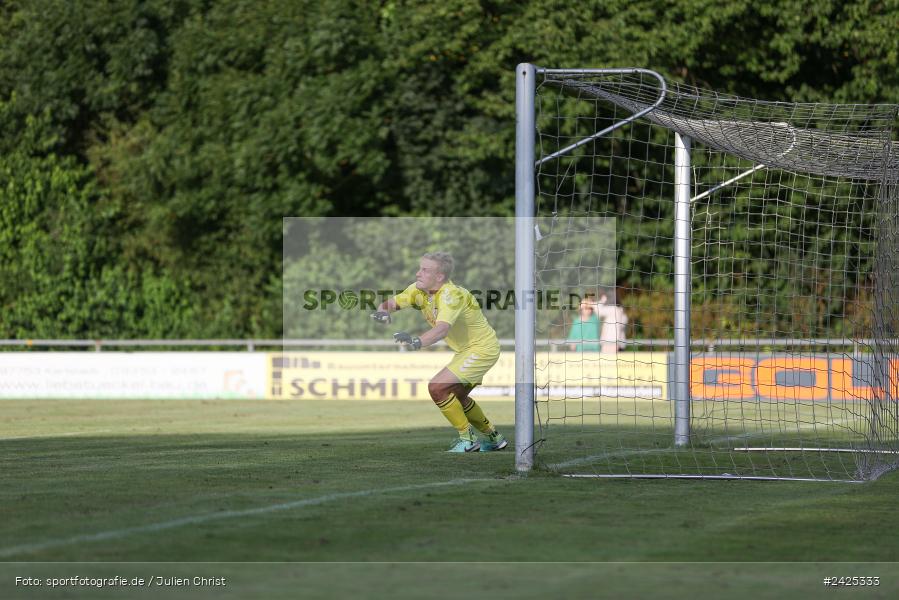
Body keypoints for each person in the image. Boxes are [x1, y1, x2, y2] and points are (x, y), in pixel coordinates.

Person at [370, 251, 508, 453]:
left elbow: (442, 329)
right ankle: (494, 438)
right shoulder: (418, 290)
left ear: (439, 277)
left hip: (481, 349)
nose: (418, 274)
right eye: (420, 268)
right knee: (457, 397)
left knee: (437, 388)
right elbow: (391, 303)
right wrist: (383, 311)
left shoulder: (451, 295)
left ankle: (468, 439)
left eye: (425, 270)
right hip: (468, 350)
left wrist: (417, 341)